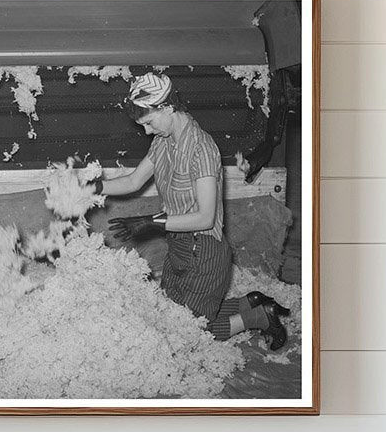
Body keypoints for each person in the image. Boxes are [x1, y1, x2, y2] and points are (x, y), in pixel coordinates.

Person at [101, 72, 288, 349]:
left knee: (186, 333)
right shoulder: (163, 141)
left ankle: (259, 317)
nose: (147, 131)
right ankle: (250, 301)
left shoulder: (202, 150)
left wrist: (150, 221)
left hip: (205, 254)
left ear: (167, 108)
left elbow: (205, 217)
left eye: (149, 122)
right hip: (179, 247)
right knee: (169, 314)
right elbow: (133, 181)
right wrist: (93, 188)